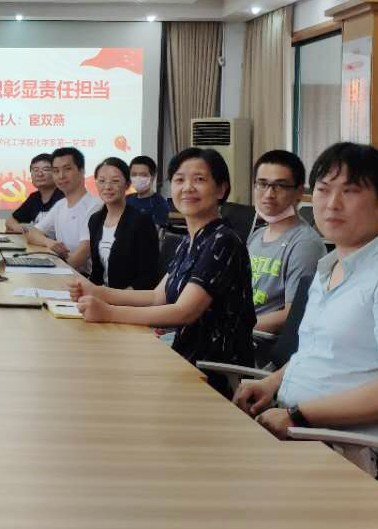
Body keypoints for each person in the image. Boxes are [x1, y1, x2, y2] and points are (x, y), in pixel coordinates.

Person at [233, 143, 378, 474]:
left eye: (350, 191)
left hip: (352, 453)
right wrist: (272, 382)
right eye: (323, 190)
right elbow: (320, 352)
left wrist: (297, 415)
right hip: (302, 429)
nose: (332, 204)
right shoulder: (331, 266)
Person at [63, 148, 256, 397]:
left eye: (199, 179)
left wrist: (109, 312)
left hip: (211, 370)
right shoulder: (191, 240)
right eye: (179, 180)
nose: (187, 188)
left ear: (221, 189)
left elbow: (183, 312)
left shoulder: (222, 241)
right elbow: (157, 296)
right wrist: (98, 291)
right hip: (182, 355)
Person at [247, 150, 326, 334]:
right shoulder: (257, 236)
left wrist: (235, 328)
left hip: (260, 341)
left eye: (280, 186)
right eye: (262, 184)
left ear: (299, 191)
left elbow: (292, 314)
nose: (269, 194)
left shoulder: (304, 244)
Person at [24, 147, 102, 272]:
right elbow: (32, 233)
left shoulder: (95, 206)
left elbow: (84, 252)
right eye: (56, 171)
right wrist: (49, 242)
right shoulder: (60, 205)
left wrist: (55, 272)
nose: (61, 176)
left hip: (86, 277)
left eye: (67, 169)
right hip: (67, 271)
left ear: (82, 171)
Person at [87, 157, 160, 290]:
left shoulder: (141, 222)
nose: (107, 187)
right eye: (102, 181)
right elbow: (97, 272)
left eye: (115, 181)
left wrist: (117, 297)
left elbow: (149, 277)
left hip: (129, 298)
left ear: (127, 184)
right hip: (102, 294)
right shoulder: (95, 220)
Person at [4, 153, 64, 232]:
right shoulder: (34, 198)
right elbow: (10, 220)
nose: (40, 174)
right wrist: (17, 227)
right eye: (35, 170)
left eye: (45, 169)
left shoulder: (65, 196)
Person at [127, 155, 171, 227]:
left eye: (143, 175)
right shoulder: (126, 199)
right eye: (134, 175)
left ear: (153, 177)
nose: (138, 178)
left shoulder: (159, 204)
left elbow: (154, 231)